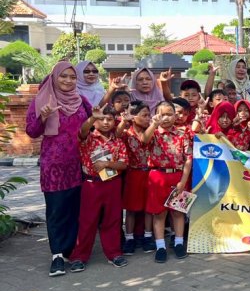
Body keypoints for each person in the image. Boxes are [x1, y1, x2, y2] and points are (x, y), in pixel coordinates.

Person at [26, 61, 93, 277]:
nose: (68, 80)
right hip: (54, 165)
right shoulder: (42, 100)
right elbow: (32, 131)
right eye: (63, 76)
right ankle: (56, 256)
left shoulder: (81, 101)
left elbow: (94, 124)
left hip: (79, 163)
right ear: (54, 77)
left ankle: (71, 250)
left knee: (76, 209)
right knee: (56, 210)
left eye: (72, 77)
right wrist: (43, 116)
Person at [68, 106, 129, 272]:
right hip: (91, 184)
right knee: (87, 221)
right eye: (102, 119)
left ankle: (114, 253)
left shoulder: (118, 141)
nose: (106, 122)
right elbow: (81, 131)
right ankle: (79, 256)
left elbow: (123, 164)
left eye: (109, 119)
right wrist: (91, 118)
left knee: (113, 220)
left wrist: (107, 164)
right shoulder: (88, 138)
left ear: (115, 121)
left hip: (113, 183)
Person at [143, 101, 193, 263]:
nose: (166, 118)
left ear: (175, 115)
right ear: (156, 115)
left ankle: (178, 243)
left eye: (169, 114)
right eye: (162, 114)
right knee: (159, 213)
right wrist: (154, 125)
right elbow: (144, 140)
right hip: (158, 176)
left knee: (178, 212)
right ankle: (160, 246)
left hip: (178, 176)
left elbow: (188, 159)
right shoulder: (153, 132)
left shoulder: (182, 133)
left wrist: (183, 181)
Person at [116, 100, 156, 255]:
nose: (148, 118)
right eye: (144, 115)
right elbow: (117, 134)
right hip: (133, 173)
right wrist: (123, 122)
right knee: (131, 209)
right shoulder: (127, 133)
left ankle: (147, 236)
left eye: (149, 115)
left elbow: (147, 139)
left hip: (150, 173)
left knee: (148, 208)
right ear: (133, 117)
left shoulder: (153, 130)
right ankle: (129, 238)